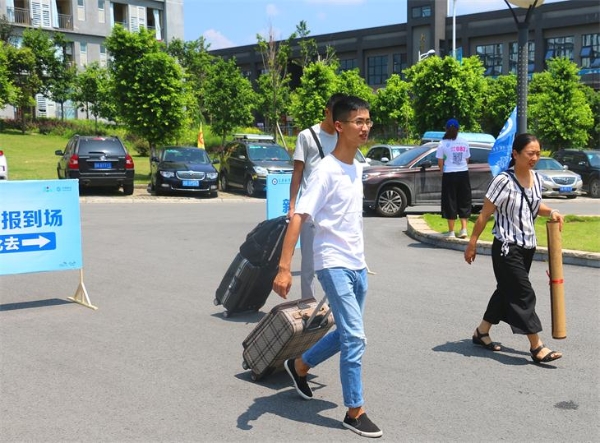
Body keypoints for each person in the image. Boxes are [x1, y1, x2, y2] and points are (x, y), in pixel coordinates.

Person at [273, 95, 382, 438]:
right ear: (339, 126)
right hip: (332, 264)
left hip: (357, 264)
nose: (365, 127)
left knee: (346, 333)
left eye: (368, 121)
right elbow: (299, 217)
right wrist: (284, 267)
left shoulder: (356, 167)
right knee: (355, 338)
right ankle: (355, 411)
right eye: (358, 122)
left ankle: (299, 365)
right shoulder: (325, 171)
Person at [464, 133, 564, 364]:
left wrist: (552, 211)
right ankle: (536, 346)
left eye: (538, 153)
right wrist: (472, 243)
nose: (534, 158)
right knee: (522, 293)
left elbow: (535, 206)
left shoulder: (537, 179)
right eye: (530, 153)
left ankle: (481, 332)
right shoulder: (503, 181)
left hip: (527, 246)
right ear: (515, 154)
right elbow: (485, 215)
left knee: (506, 290)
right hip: (506, 248)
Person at [288, 93, 347, 299]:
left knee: (336, 261)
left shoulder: (342, 136)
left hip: (334, 210)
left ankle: (333, 304)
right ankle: (308, 303)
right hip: (310, 210)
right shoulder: (306, 136)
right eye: (335, 114)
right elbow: (297, 172)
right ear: (326, 112)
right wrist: (292, 206)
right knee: (309, 264)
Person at [436, 119, 472, 239]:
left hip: (449, 174)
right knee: (464, 200)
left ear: (446, 129)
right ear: (458, 129)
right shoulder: (464, 142)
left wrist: (442, 171)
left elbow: (440, 162)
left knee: (450, 201)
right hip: (463, 173)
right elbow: (467, 159)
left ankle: (451, 231)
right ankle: (464, 229)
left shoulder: (442, 143)